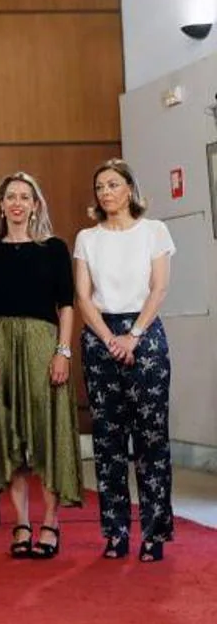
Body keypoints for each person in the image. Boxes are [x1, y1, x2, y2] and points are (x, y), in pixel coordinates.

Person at [0, 172, 82, 559]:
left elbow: (66, 306)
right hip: (1, 346)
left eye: (25, 196)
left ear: (36, 204)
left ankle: (50, 524)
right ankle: (21, 522)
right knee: (12, 437)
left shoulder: (53, 249)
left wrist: (62, 352)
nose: (17, 203)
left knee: (47, 434)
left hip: (42, 346)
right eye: (10, 197)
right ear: (1, 206)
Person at [74, 159, 175, 563]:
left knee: (151, 439)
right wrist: (109, 338)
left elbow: (160, 286)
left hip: (145, 335)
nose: (105, 192)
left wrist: (132, 336)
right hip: (100, 338)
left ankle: (154, 533)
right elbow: (83, 296)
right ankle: (115, 533)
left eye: (113, 184)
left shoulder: (154, 231)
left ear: (130, 189)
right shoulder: (87, 237)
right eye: (99, 187)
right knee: (108, 440)